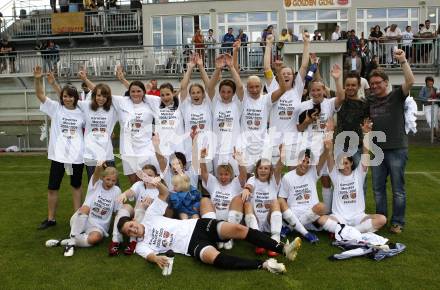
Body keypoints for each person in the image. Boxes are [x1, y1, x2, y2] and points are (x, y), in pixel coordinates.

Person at [118, 176, 302, 274]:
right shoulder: (140, 245)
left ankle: (283, 249)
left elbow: (165, 193)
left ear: (134, 221)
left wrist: (156, 184)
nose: (133, 229)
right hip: (191, 246)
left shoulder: (149, 217)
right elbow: (149, 255)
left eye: (131, 225)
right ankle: (265, 265)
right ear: (130, 235)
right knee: (216, 259)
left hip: (197, 225)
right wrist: (157, 259)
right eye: (129, 231)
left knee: (239, 229)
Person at [367, 48, 415, 234]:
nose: (374, 86)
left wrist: (403, 61)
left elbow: (410, 81)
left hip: (396, 148)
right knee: (377, 189)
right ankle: (381, 220)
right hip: (376, 150)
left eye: (378, 82)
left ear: (386, 83)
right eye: (372, 83)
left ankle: (397, 222)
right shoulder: (370, 100)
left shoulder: (396, 95)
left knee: (398, 189)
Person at [34, 66, 85, 230]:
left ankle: (77, 217)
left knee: (76, 186)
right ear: (62, 97)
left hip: (77, 156)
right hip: (58, 157)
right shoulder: (56, 108)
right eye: (65, 96)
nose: (68, 99)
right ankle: (51, 219)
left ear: (75, 98)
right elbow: (40, 95)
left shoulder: (82, 111)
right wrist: (37, 79)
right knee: (52, 187)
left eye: (71, 96)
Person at [45, 162, 121, 257]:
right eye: (108, 179)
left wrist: (116, 234)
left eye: (113, 181)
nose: (110, 183)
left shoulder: (117, 191)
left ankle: (66, 242)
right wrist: (98, 166)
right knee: (86, 207)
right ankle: (72, 241)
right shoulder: (95, 184)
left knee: (95, 239)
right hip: (81, 219)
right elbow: (96, 173)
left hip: (99, 227)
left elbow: (117, 212)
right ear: (103, 178)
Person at [325, 119, 387, 233]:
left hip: (358, 217)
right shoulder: (335, 175)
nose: (344, 166)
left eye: (346, 163)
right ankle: (355, 231)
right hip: (339, 217)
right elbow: (329, 154)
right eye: (342, 164)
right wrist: (329, 132)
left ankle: (347, 232)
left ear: (351, 163)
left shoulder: (359, 174)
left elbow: (365, 153)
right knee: (322, 220)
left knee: (382, 219)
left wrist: (366, 134)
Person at [296, 70, 344, 213]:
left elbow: (341, 97)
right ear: (309, 92)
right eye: (313, 90)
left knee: (325, 181)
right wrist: (308, 121)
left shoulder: (329, 104)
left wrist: (337, 79)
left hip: (325, 149)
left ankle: (327, 212)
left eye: (319, 90)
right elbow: (299, 128)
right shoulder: (303, 105)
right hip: (308, 149)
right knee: (306, 181)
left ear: (324, 90)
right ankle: (304, 209)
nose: (316, 93)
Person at [264, 32, 309, 168]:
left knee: (293, 174)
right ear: (278, 77)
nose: (286, 75)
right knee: (272, 175)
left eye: (289, 73)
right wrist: (269, 44)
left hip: (293, 139)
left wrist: (306, 43)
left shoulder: (297, 89)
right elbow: (267, 67)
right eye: (283, 74)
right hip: (274, 139)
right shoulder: (274, 87)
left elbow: (304, 66)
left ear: (293, 77)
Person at [199, 146, 247, 250]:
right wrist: (202, 158)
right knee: (204, 200)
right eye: (221, 174)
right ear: (217, 174)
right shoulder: (213, 182)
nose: (223, 177)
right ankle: (214, 234)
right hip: (215, 219)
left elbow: (243, 176)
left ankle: (229, 235)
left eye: (226, 174)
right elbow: (203, 173)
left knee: (238, 199)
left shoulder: (235, 183)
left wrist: (240, 161)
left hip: (230, 219)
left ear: (231, 175)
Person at [206, 53, 244, 174]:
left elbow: (240, 86)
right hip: (217, 151)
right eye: (223, 92)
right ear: (220, 92)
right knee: (219, 181)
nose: (225, 95)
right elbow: (210, 88)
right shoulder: (215, 103)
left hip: (234, 150)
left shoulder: (237, 104)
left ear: (233, 93)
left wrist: (232, 67)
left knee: (236, 182)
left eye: (229, 92)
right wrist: (218, 69)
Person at [241, 157, 283, 256]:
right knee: (247, 204)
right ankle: (258, 240)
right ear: (256, 170)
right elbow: (249, 186)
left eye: (266, 168)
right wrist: (247, 189)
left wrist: (282, 157)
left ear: (270, 170)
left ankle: (275, 241)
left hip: (269, 220)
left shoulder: (274, 180)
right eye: (260, 168)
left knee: (275, 202)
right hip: (255, 220)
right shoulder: (252, 179)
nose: (263, 171)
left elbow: (278, 169)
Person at [117, 164, 161, 255]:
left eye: (150, 175)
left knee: (141, 206)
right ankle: (116, 239)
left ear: (156, 177)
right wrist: (124, 194)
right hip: (137, 215)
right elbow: (131, 192)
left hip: (150, 219)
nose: (147, 178)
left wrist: (150, 203)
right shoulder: (139, 184)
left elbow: (160, 209)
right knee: (125, 207)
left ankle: (133, 241)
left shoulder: (159, 190)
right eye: (145, 176)